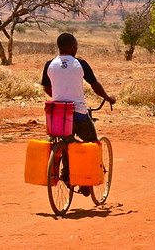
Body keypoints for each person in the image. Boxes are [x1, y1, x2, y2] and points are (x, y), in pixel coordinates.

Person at [41, 32, 116, 195]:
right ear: (70, 46)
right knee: (91, 144)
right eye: (75, 45)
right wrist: (108, 98)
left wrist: (59, 97)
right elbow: (95, 86)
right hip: (79, 113)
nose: (76, 48)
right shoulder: (80, 64)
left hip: (58, 115)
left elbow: (46, 87)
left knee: (67, 142)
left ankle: (66, 175)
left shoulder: (49, 64)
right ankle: (86, 183)